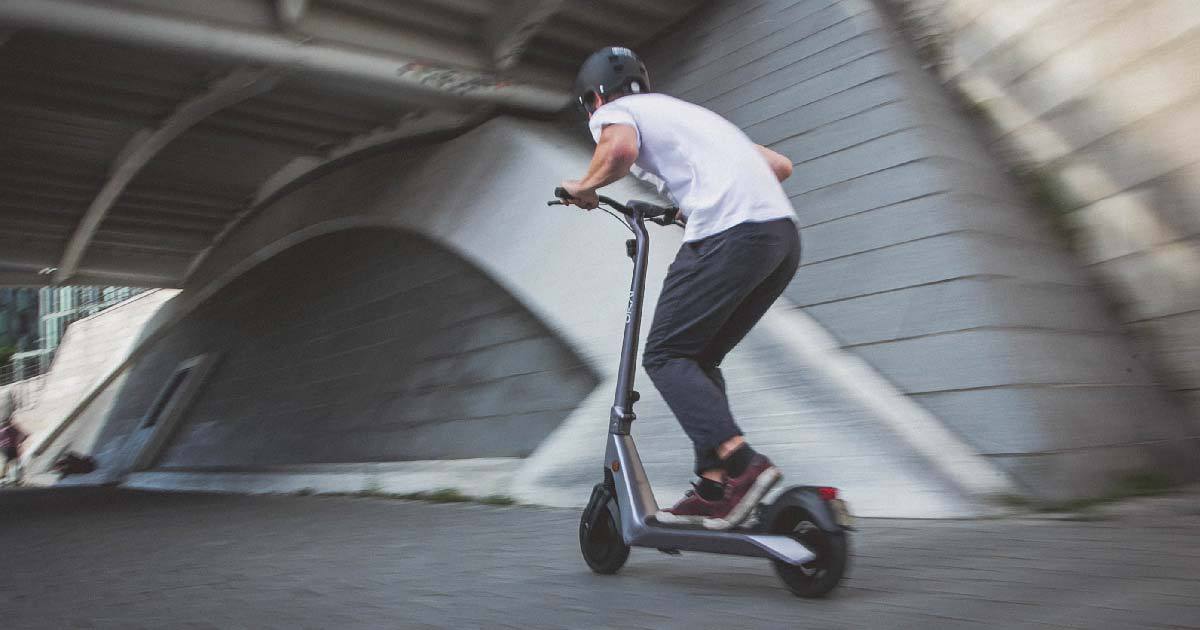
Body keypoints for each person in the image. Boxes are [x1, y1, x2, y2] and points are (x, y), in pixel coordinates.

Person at [560, 47, 801, 530]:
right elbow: (779, 166)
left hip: (731, 233)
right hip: (780, 239)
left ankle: (742, 463)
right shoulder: (689, 115)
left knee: (665, 356)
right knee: (698, 358)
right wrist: (684, 206)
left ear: (595, 97)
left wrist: (584, 186)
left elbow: (620, 150)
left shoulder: (615, 113)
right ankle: (713, 487)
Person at [0, 390, 27, 485]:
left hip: (4, 448)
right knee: (13, 461)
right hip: (10, 448)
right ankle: (15, 479)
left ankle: (4, 477)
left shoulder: (7, 428)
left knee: (6, 462)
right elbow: (24, 436)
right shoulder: (12, 428)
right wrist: (20, 441)